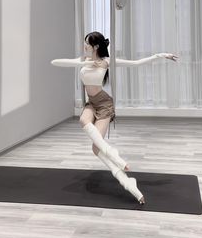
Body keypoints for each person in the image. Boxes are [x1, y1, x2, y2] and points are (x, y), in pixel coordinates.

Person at [51, 31, 178, 205]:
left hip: (104, 104)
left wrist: (160, 55)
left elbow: (135, 64)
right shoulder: (85, 60)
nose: (84, 46)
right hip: (91, 103)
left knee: (96, 149)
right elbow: (56, 62)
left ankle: (127, 181)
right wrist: (82, 62)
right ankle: (118, 162)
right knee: (83, 121)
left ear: (95, 46)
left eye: (86, 43)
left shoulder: (106, 61)